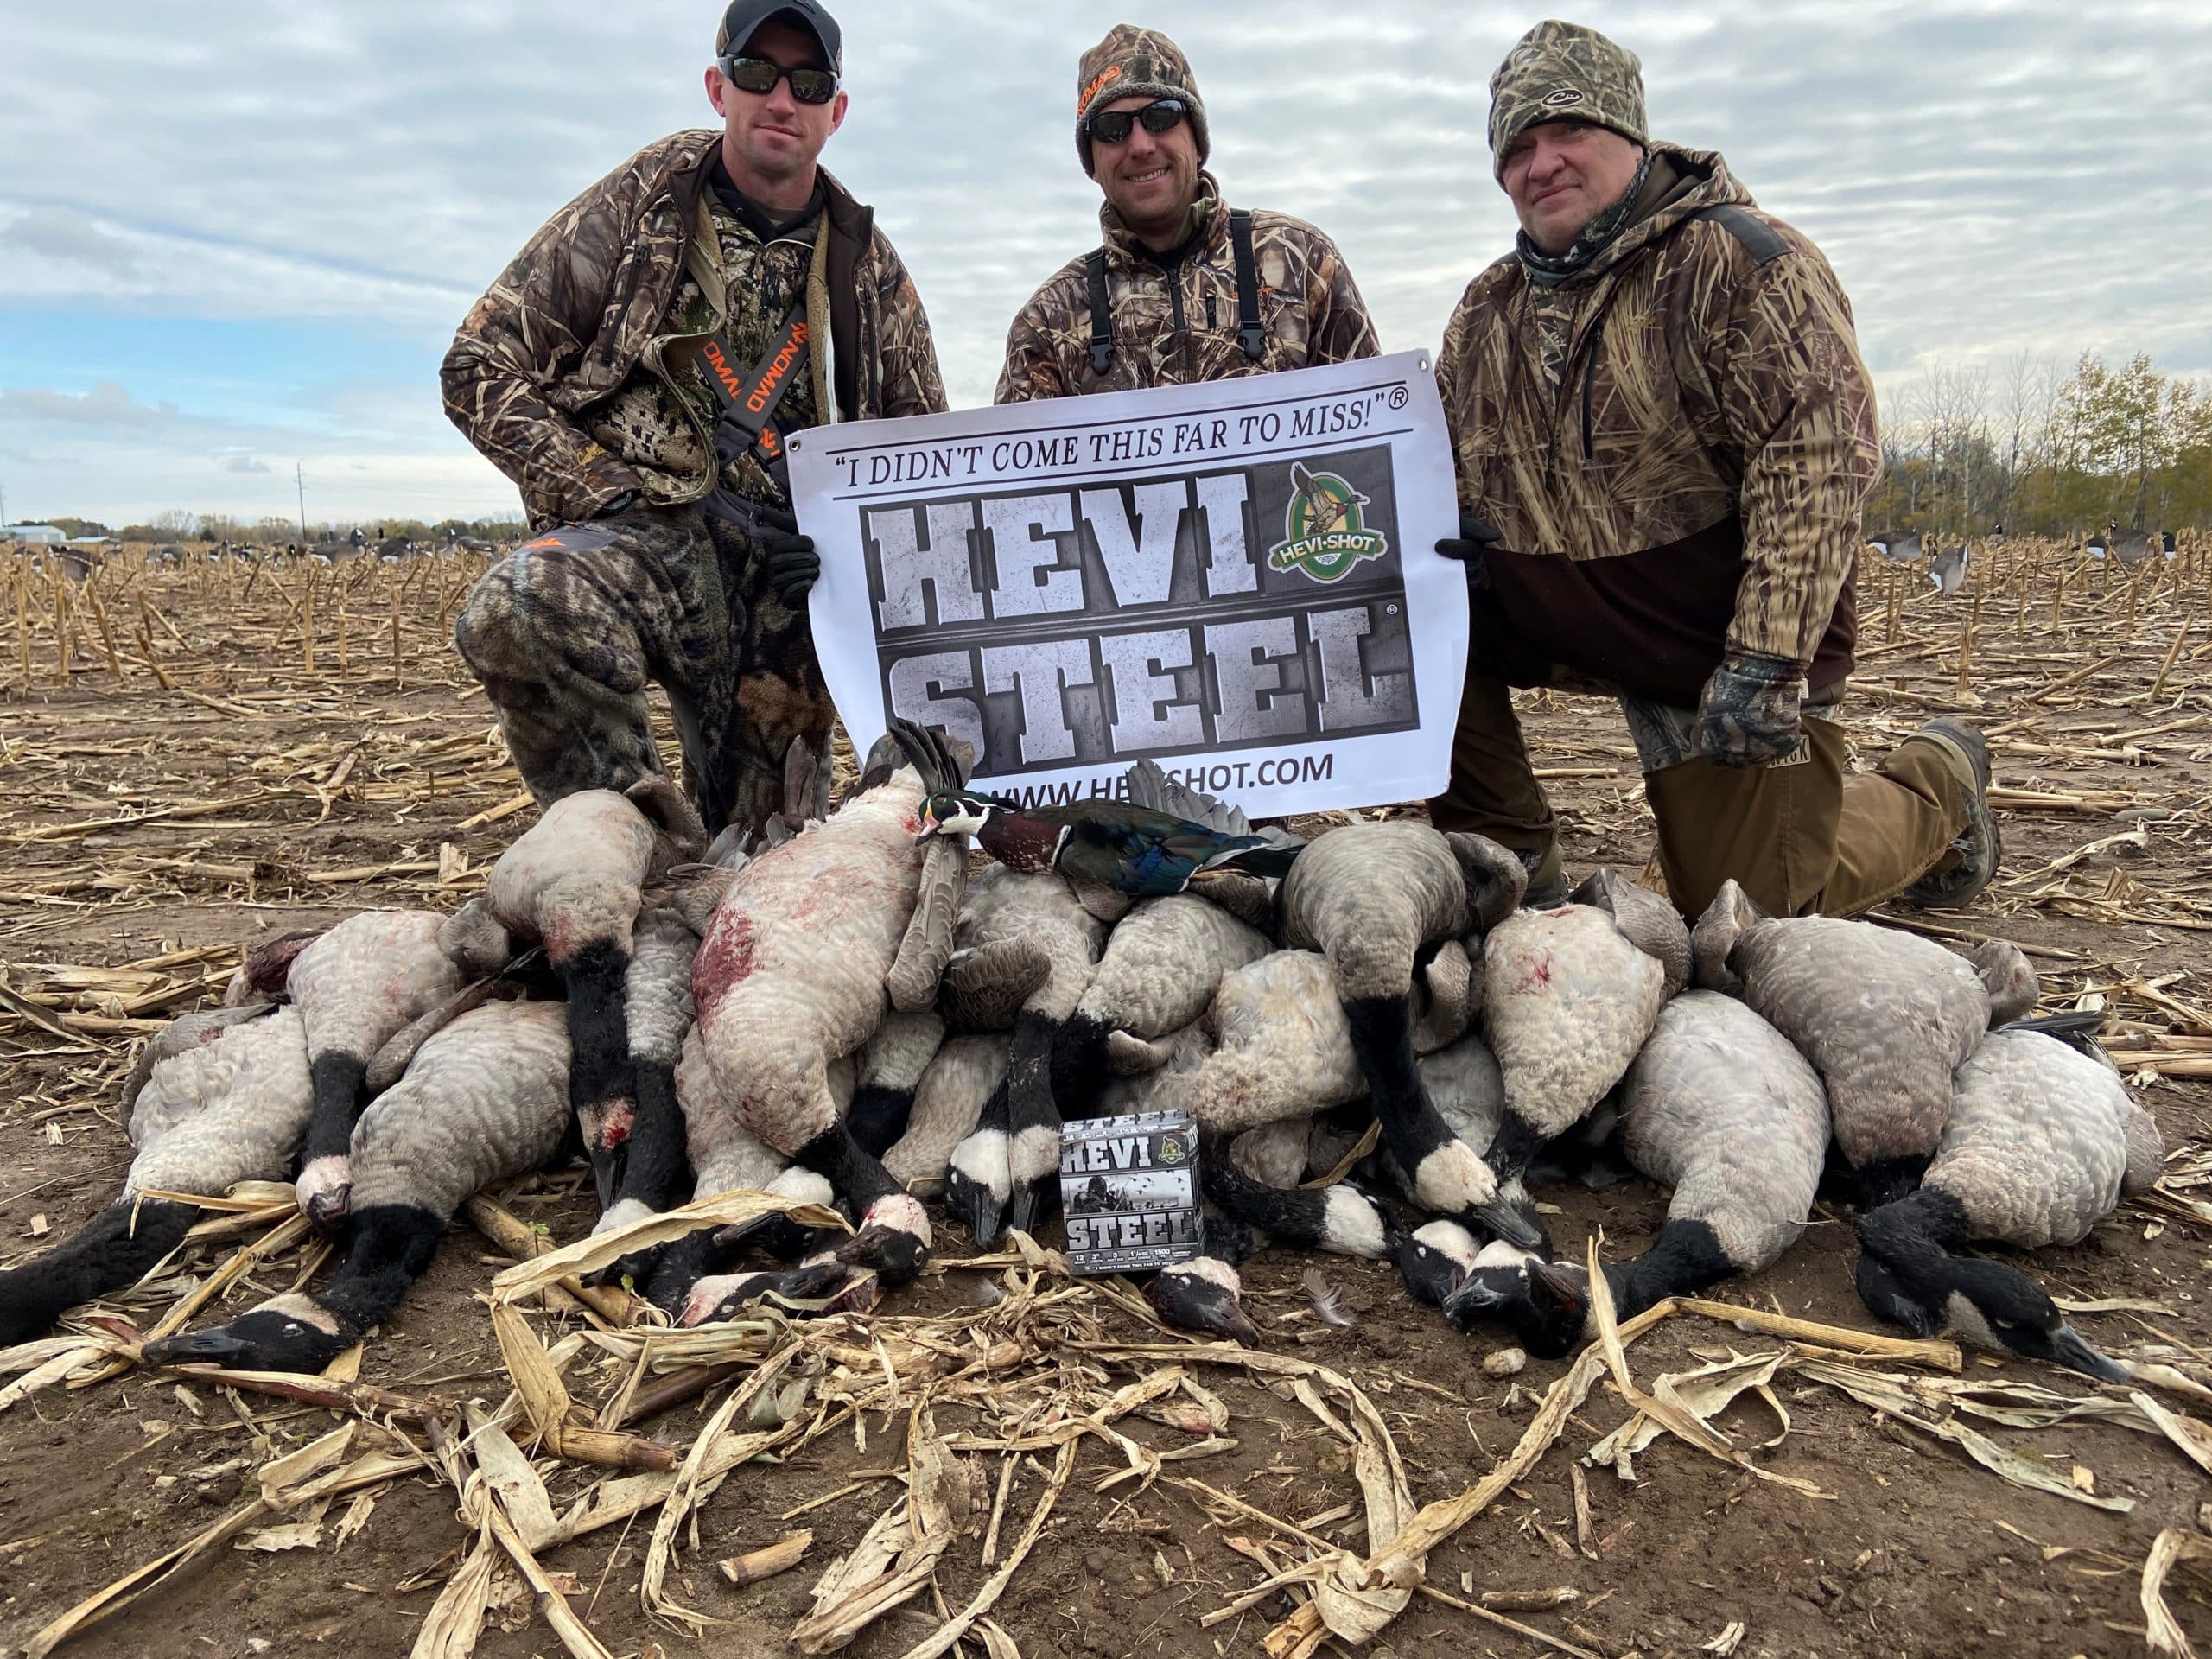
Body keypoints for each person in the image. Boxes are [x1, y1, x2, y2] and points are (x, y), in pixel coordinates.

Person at [1427, 20, 1996, 919]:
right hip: (1563, 621)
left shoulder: (1743, 263)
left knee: (1747, 919)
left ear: (1631, 135)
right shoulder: (1485, 309)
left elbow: (1815, 464)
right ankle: (1510, 862)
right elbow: (1437, 468)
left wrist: (1765, 662)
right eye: (1518, 148)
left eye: (1568, 132)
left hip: (1708, 646)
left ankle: (1937, 781)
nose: (1542, 164)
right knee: (1404, 628)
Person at [443, 0, 945, 837]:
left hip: (786, 596)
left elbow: (924, 462)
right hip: (651, 543)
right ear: (719, 88)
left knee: (760, 862)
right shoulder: (640, 209)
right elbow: (478, 365)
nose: (781, 99)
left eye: (807, 82)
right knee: (524, 603)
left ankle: (720, 856)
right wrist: (602, 491)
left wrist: (841, 550)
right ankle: (628, 844)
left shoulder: (868, 265)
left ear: (836, 112)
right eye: (758, 74)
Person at [996, 24, 1377, 401]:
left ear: (1197, 141)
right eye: (1112, 128)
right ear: (1092, 163)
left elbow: (1378, 432)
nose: (1141, 145)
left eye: (1160, 116)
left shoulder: (1304, 262)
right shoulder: (1047, 321)